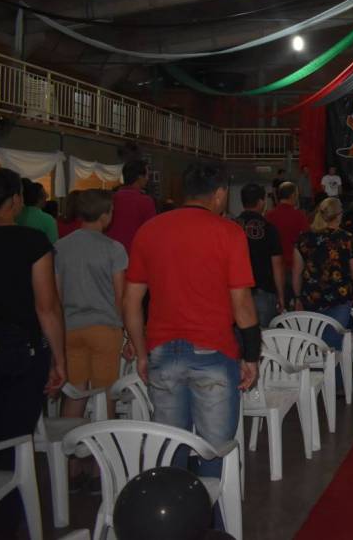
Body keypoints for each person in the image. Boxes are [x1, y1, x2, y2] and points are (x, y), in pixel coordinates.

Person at [123, 163, 259, 477]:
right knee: (214, 449)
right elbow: (242, 304)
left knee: (171, 448)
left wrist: (141, 352)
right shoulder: (228, 232)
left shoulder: (149, 230)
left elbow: (130, 301)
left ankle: (176, 507)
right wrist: (252, 355)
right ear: (220, 193)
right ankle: (211, 507)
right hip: (214, 350)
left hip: (162, 351)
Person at [0, 169, 66, 534]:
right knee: (13, 441)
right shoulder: (32, 241)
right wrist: (59, 359)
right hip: (19, 351)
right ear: (16, 201)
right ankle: (7, 519)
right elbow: (46, 307)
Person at [54, 190, 129, 486]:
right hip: (104, 329)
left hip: (70, 328)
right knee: (104, 396)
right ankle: (101, 467)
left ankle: (70, 466)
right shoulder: (114, 249)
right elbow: (120, 296)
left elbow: (56, 294)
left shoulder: (60, 247)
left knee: (75, 395)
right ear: (105, 215)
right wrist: (124, 329)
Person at [292, 198, 353, 349]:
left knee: (313, 342)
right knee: (332, 345)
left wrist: (297, 297)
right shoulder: (347, 239)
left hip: (311, 298)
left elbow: (297, 272)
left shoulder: (303, 239)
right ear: (339, 215)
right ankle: (335, 364)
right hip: (339, 297)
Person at [235, 183, 285, 328]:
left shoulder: (232, 227)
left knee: (239, 337)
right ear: (261, 202)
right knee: (264, 338)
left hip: (236, 293)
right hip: (264, 291)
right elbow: (277, 265)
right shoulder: (269, 228)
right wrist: (281, 296)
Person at [266, 181, 310, 298]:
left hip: (273, 268)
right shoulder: (299, 216)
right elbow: (307, 240)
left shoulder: (269, 216)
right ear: (293, 195)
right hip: (295, 267)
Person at [106, 159, 156, 254]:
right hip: (133, 253)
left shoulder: (110, 198)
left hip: (109, 252)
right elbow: (151, 232)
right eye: (146, 175)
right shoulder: (145, 201)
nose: (147, 179)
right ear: (139, 177)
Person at [17, 178, 58, 244]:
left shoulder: (15, 216)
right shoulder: (48, 220)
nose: (47, 196)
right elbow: (54, 245)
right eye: (45, 195)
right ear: (39, 199)